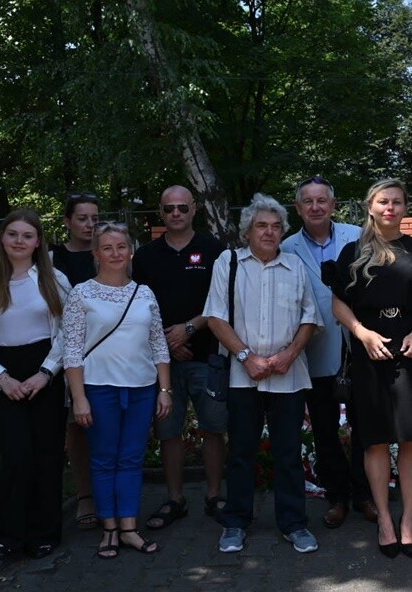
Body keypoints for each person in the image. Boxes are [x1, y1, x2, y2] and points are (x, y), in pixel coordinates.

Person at [327, 179, 412, 558]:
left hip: (410, 348)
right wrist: (362, 333)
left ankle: (408, 519)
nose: (390, 207)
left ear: (405, 208)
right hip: (369, 351)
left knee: (410, 437)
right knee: (374, 438)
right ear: (370, 206)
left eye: (396, 202)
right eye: (383, 201)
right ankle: (384, 521)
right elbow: (338, 304)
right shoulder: (353, 251)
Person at [205, 194, 323, 554]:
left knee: (288, 452)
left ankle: (293, 524)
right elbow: (215, 317)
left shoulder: (295, 266)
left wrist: (289, 354)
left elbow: (310, 318)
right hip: (244, 376)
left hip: (287, 375)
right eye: (262, 226)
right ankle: (236, 522)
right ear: (248, 232)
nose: (269, 232)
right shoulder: (229, 263)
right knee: (241, 451)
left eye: (275, 226)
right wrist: (245, 357)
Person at [0, 209, 71, 560]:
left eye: (27, 235)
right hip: (1, 376)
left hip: (46, 374)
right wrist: (2, 378)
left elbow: (69, 335)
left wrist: (47, 372)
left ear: (38, 241)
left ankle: (44, 532)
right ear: (2, 238)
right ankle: (9, 533)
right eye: (13, 234)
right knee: (15, 455)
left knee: (46, 454)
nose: (19, 241)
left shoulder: (56, 282)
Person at [63, 222, 171, 558]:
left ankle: (128, 527)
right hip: (99, 388)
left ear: (131, 251)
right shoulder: (82, 293)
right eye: (107, 248)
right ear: (96, 253)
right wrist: (78, 397)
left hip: (141, 388)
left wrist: (165, 389)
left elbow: (158, 344)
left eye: (121, 247)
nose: (115, 254)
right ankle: (108, 528)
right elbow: (72, 349)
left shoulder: (145, 293)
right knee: (104, 459)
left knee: (131, 459)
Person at [281, 175, 375, 529]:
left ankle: (364, 494)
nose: (316, 207)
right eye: (309, 201)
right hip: (315, 350)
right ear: (298, 208)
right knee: (323, 429)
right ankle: (337, 497)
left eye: (322, 200)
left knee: (364, 427)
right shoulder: (287, 247)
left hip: (360, 347)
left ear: (333, 205)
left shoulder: (359, 235)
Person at [133, 185, 226, 530]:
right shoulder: (144, 256)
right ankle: (175, 499)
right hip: (163, 361)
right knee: (168, 430)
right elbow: (138, 307)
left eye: (182, 208)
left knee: (213, 427)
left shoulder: (214, 250)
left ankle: (215, 496)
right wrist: (168, 343)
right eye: (169, 208)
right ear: (160, 212)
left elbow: (222, 301)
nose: (176, 213)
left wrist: (189, 328)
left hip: (206, 355)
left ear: (194, 209)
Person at [50, 192, 100, 532]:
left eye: (95, 218)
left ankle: (114, 493)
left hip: (109, 350)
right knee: (76, 424)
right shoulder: (53, 259)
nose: (90, 224)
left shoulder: (109, 253)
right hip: (69, 351)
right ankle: (84, 495)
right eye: (82, 218)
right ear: (67, 222)